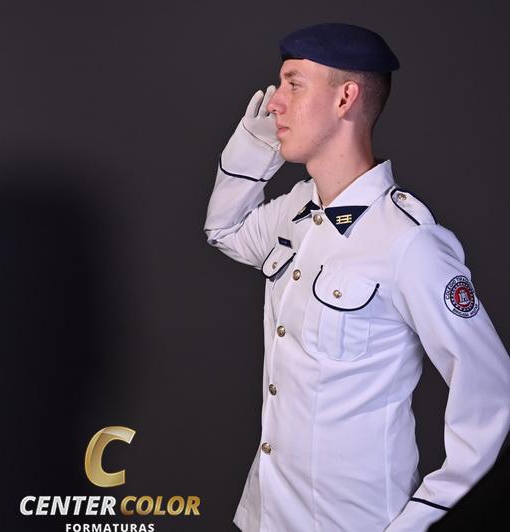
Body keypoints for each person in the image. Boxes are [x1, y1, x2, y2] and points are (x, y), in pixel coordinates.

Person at [204, 22, 510, 531]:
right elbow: (224, 231)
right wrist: (255, 150)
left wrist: (421, 520)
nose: (274, 102)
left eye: (293, 84)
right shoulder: (297, 211)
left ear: (345, 98)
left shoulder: (409, 242)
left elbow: (493, 397)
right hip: (263, 517)